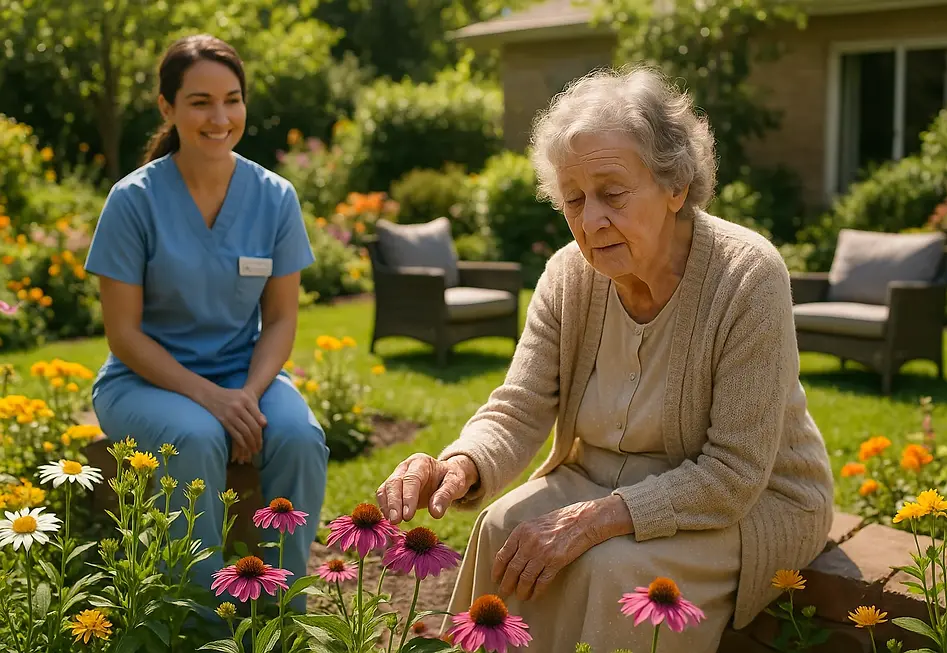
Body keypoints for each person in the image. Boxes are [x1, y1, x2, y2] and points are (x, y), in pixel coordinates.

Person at [376, 65, 835, 652]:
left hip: (748, 502)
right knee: (499, 529)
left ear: (675, 186)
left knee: (607, 569)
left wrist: (593, 520)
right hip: (599, 479)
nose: (591, 221)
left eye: (612, 195)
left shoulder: (747, 275)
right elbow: (518, 408)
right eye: (574, 200)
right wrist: (458, 465)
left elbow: (734, 472)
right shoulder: (570, 274)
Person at [84, 34, 328, 604]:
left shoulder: (275, 197)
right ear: (167, 107)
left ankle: (279, 607)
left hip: (246, 374)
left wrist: (245, 393)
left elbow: (282, 321)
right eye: (199, 101)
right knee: (195, 438)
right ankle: (201, 617)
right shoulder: (132, 201)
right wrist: (212, 399)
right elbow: (123, 334)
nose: (220, 117)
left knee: (298, 437)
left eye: (232, 99)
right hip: (143, 381)